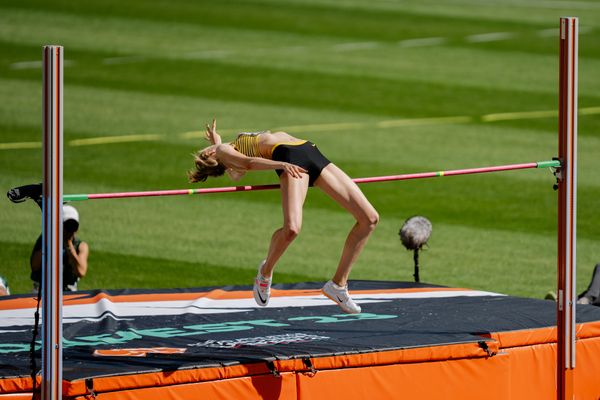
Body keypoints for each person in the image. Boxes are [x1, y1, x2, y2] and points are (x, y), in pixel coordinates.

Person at [189, 120, 379, 314]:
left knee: (369, 219)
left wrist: (216, 139)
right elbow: (248, 163)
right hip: (290, 160)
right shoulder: (222, 151)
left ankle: (338, 285)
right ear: (211, 154)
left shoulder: (227, 152)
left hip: (310, 152)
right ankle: (265, 272)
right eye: (206, 152)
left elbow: (237, 169)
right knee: (292, 229)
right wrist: (281, 165)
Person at [7, 184, 90, 292]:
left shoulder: (80, 246)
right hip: (42, 290)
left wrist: (68, 244)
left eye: (73, 226)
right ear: (59, 225)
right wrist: (50, 240)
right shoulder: (46, 238)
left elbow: (81, 271)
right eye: (67, 225)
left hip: (69, 292)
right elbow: (35, 266)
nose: (70, 230)